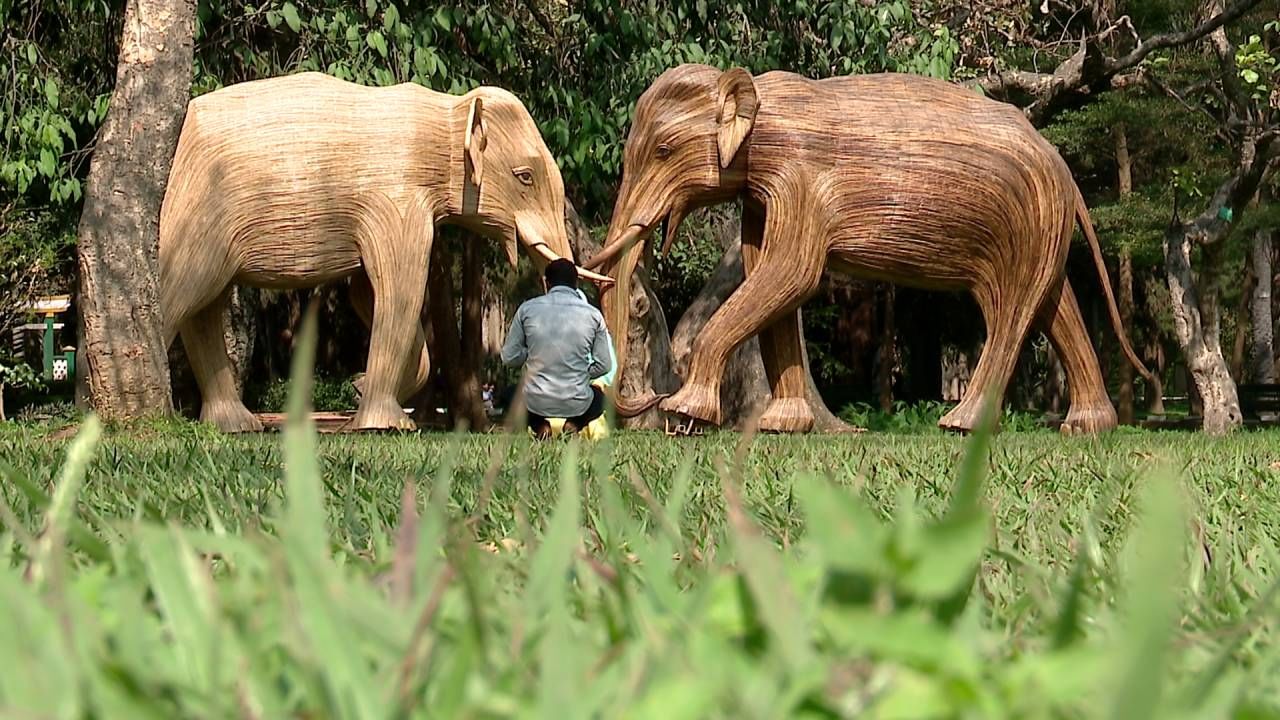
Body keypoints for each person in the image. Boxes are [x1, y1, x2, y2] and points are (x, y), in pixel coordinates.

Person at [501, 259, 613, 438]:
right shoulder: (593, 315)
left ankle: (540, 426)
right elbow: (605, 365)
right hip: (577, 402)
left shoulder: (527, 309)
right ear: (576, 283)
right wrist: (580, 372)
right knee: (601, 399)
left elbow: (509, 357)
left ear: (546, 282)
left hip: (535, 401)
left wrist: (531, 355)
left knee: (507, 394)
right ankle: (573, 425)